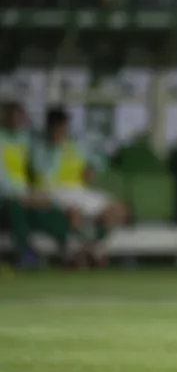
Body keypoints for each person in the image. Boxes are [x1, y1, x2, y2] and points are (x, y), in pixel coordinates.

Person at [32, 107, 128, 266]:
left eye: (63, 126)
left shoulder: (76, 145)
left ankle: (93, 248)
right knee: (74, 214)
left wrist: (91, 169)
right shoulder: (40, 148)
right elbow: (43, 174)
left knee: (118, 210)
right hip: (54, 191)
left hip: (78, 191)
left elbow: (98, 161)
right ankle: (83, 252)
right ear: (50, 127)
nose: (61, 130)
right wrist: (54, 148)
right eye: (57, 127)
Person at [0, 103, 72, 268]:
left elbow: (45, 172)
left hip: (26, 197)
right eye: (14, 117)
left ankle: (67, 251)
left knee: (55, 210)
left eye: (21, 117)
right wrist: (22, 195)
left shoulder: (27, 140)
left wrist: (55, 148)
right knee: (16, 208)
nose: (18, 121)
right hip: (6, 200)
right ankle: (25, 253)